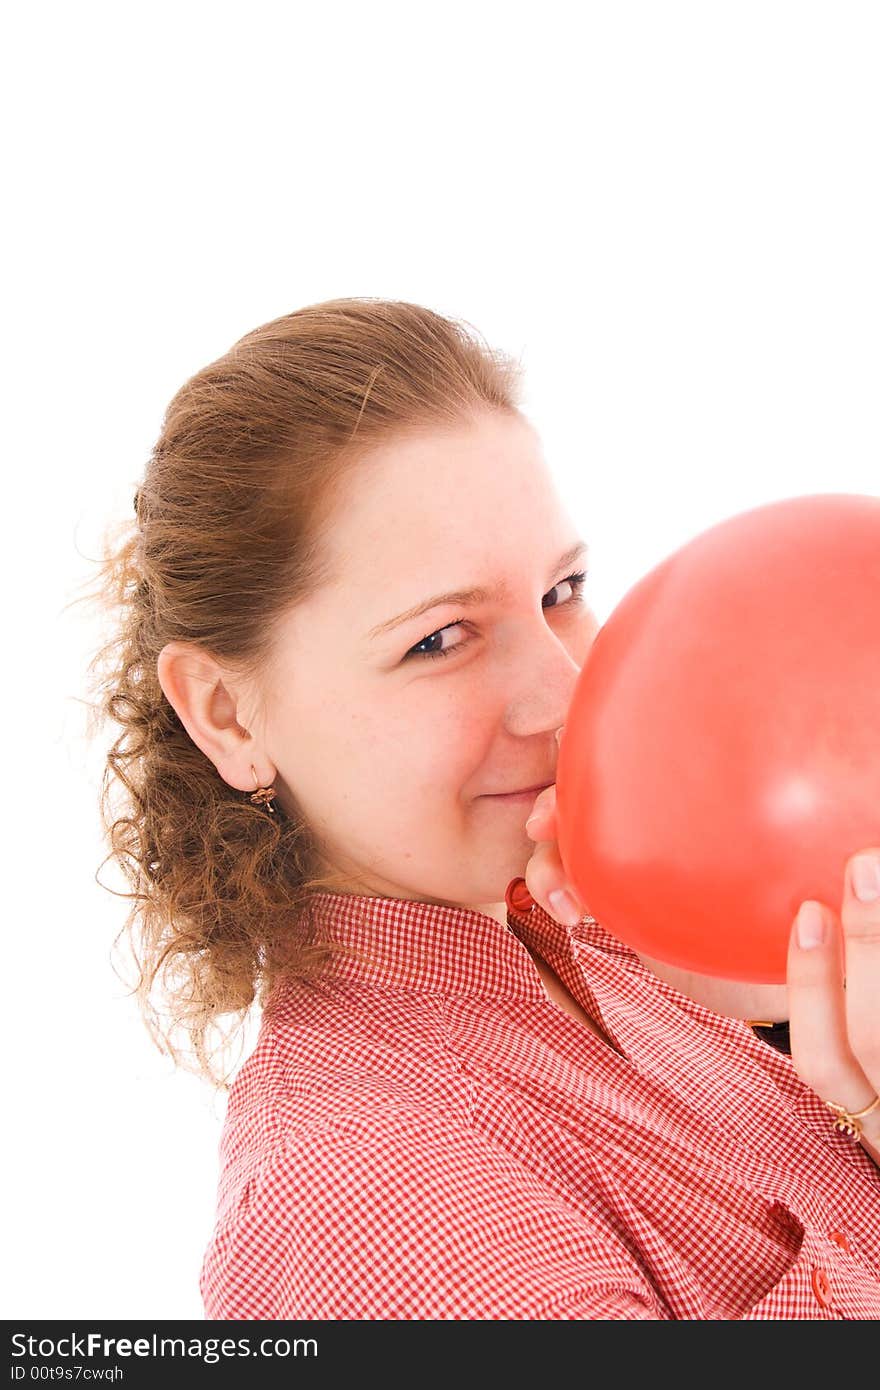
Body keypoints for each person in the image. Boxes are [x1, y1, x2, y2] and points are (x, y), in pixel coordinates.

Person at [87, 297, 880, 1320]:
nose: (562, 690)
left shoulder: (660, 965)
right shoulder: (372, 1199)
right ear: (228, 715)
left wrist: (802, 1044)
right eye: (439, 639)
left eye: (562, 590)